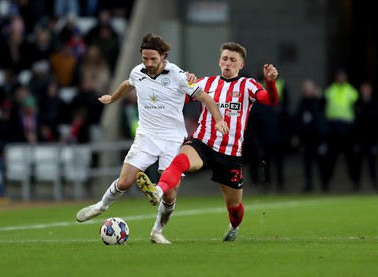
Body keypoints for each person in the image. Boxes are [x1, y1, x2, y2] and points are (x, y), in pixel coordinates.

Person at [75, 33, 228, 244]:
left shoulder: (177, 75)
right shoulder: (138, 72)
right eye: (145, 58)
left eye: (153, 59)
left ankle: (157, 232)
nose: (148, 63)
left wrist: (218, 119)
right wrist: (113, 98)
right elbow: (128, 84)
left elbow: (205, 98)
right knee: (125, 181)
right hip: (146, 136)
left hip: (172, 139)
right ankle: (101, 206)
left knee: (170, 195)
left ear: (163, 56)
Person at [136, 42, 279, 242]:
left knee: (235, 209)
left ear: (241, 65)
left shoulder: (247, 85)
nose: (228, 63)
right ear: (219, 61)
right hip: (202, 143)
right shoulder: (205, 83)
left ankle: (234, 226)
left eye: (233, 60)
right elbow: (177, 100)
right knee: (180, 160)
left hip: (229, 153)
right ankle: (157, 190)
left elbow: (270, 100)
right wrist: (178, 82)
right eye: (225, 59)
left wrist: (270, 82)